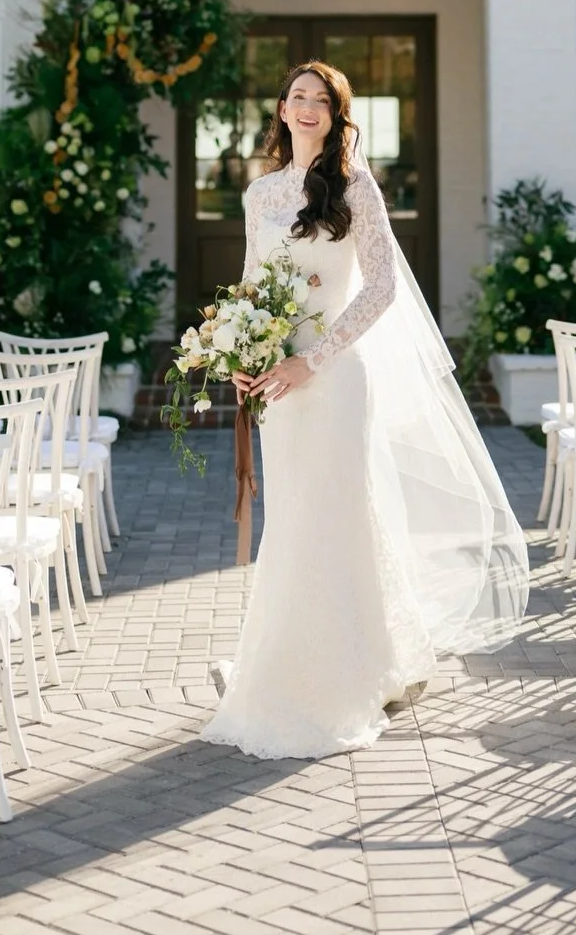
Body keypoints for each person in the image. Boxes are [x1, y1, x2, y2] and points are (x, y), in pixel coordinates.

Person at [200, 60, 529, 759]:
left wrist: (309, 358)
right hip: (278, 387)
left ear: (337, 114)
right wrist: (244, 355)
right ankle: (289, 661)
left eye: (322, 99)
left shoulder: (354, 187)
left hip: (336, 377)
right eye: (298, 97)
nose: (308, 107)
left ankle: (347, 670)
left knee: (338, 512)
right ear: (282, 111)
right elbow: (252, 285)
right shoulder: (259, 195)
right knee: (291, 520)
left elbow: (380, 288)